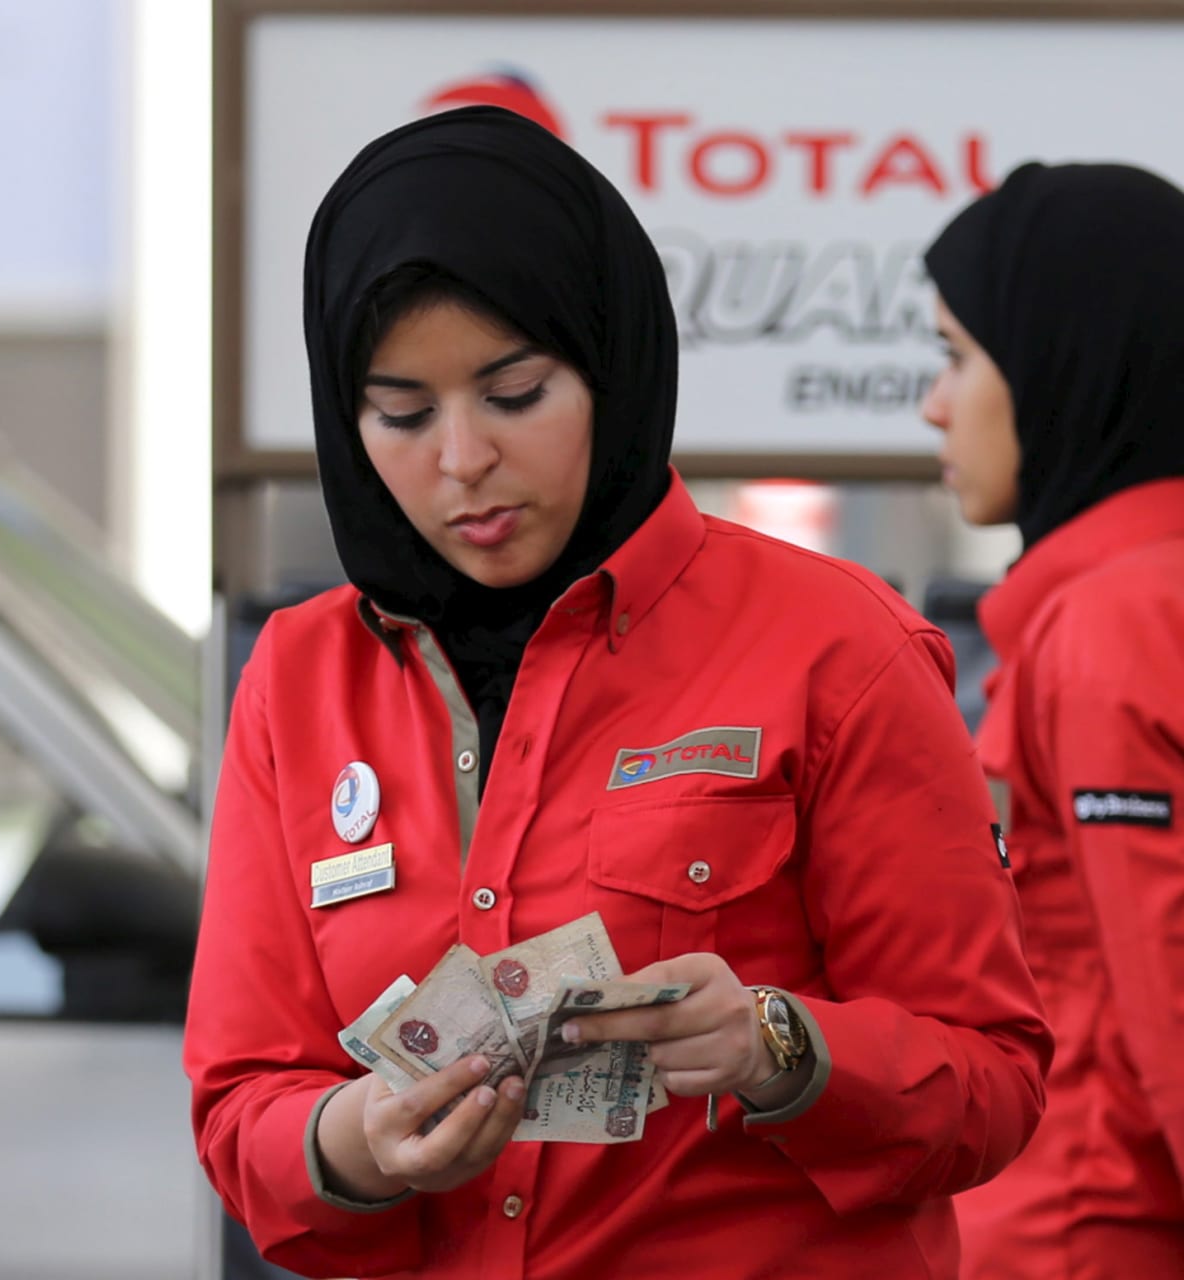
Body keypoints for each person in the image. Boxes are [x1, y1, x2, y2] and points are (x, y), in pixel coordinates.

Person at [183, 105, 1052, 1279]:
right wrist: (356, 1140)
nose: (460, 460)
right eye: (400, 413)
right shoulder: (298, 678)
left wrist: (777, 1045)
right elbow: (241, 1102)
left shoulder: (834, 647)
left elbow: (992, 1081)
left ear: (613, 362)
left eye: (515, 392)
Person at [922, 162, 1184, 1277]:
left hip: (1090, 1226)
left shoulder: (1111, 623)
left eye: (958, 356)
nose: (934, 402)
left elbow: (1165, 976)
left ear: (1064, 357)